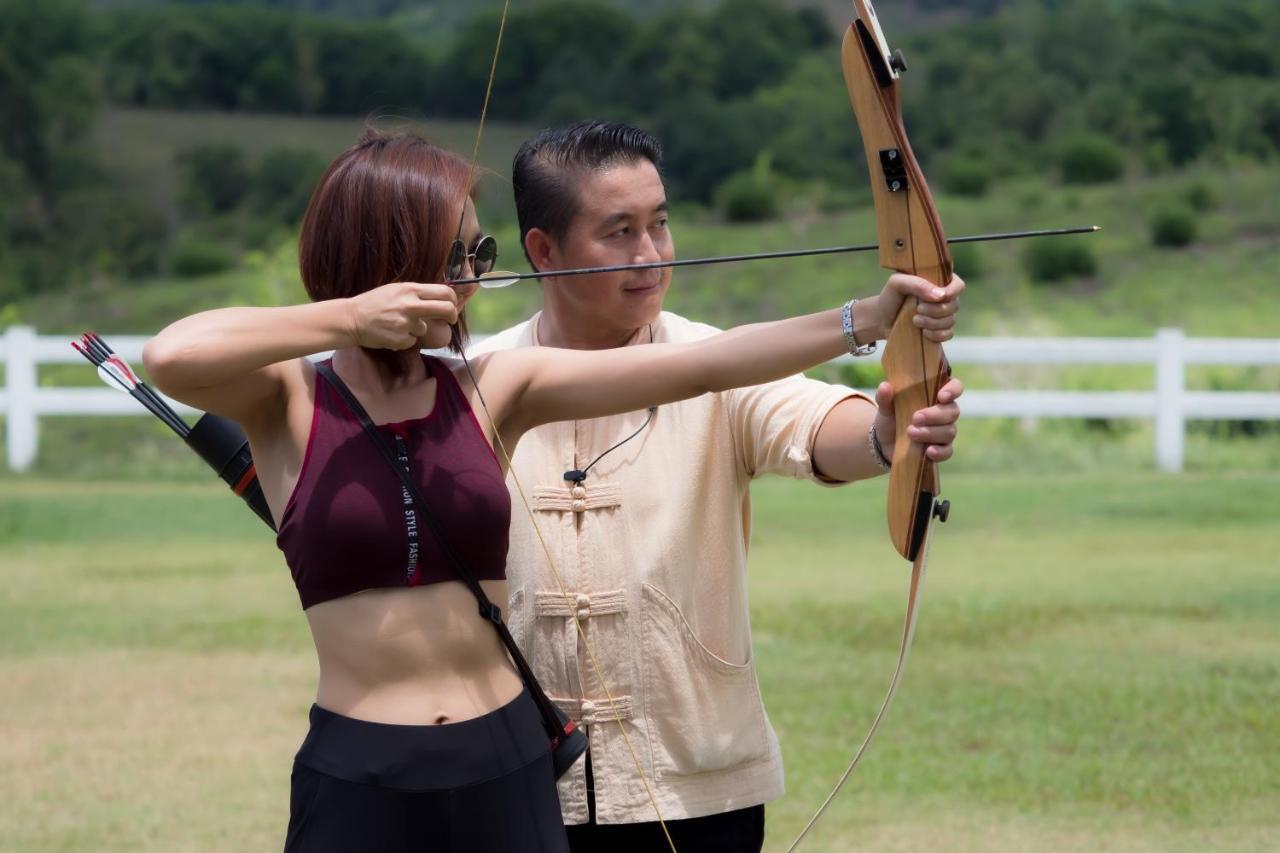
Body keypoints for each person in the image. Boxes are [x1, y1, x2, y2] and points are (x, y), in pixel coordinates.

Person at [141, 129, 954, 853]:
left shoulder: (495, 382)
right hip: (362, 769)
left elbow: (706, 363)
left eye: (478, 257)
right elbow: (172, 355)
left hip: (505, 763)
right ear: (383, 266)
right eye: (454, 261)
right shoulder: (287, 398)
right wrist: (349, 319)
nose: (471, 283)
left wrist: (867, 317)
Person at [471, 120, 965, 852]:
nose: (650, 254)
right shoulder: (479, 378)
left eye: (660, 224)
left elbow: (813, 419)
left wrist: (889, 435)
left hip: (696, 782)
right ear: (545, 250)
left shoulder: (717, 359)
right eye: (620, 232)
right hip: (516, 784)